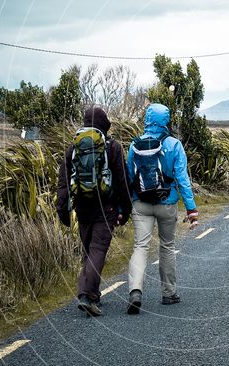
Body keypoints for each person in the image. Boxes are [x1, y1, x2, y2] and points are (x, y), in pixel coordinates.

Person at [57, 105, 132, 317]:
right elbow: (122, 180)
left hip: (82, 207)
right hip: (106, 207)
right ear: (104, 123)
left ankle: (92, 294)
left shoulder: (73, 149)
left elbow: (63, 183)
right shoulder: (112, 147)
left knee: (88, 249)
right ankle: (85, 295)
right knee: (98, 249)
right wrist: (125, 210)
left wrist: (62, 211)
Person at [126, 103, 198, 313]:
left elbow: (130, 175)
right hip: (167, 204)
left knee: (140, 247)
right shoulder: (174, 145)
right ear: (166, 121)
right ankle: (169, 293)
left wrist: (130, 200)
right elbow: (182, 179)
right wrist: (191, 209)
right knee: (167, 246)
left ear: (147, 119)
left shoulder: (135, 145)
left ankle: (135, 291)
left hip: (141, 204)